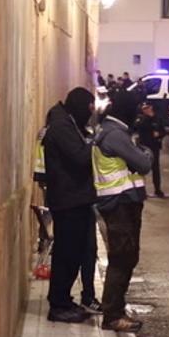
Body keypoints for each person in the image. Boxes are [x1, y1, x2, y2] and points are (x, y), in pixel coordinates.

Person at [93, 91, 153, 332]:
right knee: (122, 257)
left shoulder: (110, 130)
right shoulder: (116, 134)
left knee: (127, 256)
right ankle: (112, 315)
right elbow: (145, 163)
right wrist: (143, 151)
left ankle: (115, 307)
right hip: (120, 203)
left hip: (121, 202)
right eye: (136, 109)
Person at [42, 88, 100, 322]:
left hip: (75, 199)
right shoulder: (62, 127)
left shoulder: (69, 123)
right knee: (66, 254)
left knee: (74, 253)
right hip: (68, 201)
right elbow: (79, 157)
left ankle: (64, 300)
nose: (90, 113)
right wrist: (95, 142)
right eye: (89, 108)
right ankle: (58, 305)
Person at [135, 102, 167, 197]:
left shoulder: (157, 118)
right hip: (143, 147)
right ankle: (141, 190)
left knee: (155, 169)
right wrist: (148, 117)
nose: (145, 110)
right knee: (141, 169)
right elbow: (138, 127)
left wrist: (159, 135)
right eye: (144, 108)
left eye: (147, 107)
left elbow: (163, 131)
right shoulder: (141, 118)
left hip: (154, 146)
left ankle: (157, 189)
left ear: (151, 107)